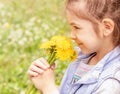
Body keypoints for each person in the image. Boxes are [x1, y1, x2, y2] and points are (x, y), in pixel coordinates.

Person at [27, 0, 120, 94]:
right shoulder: (83, 57)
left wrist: (49, 88)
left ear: (107, 27)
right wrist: (43, 82)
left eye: (76, 27)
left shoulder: (111, 84)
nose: (71, 35)